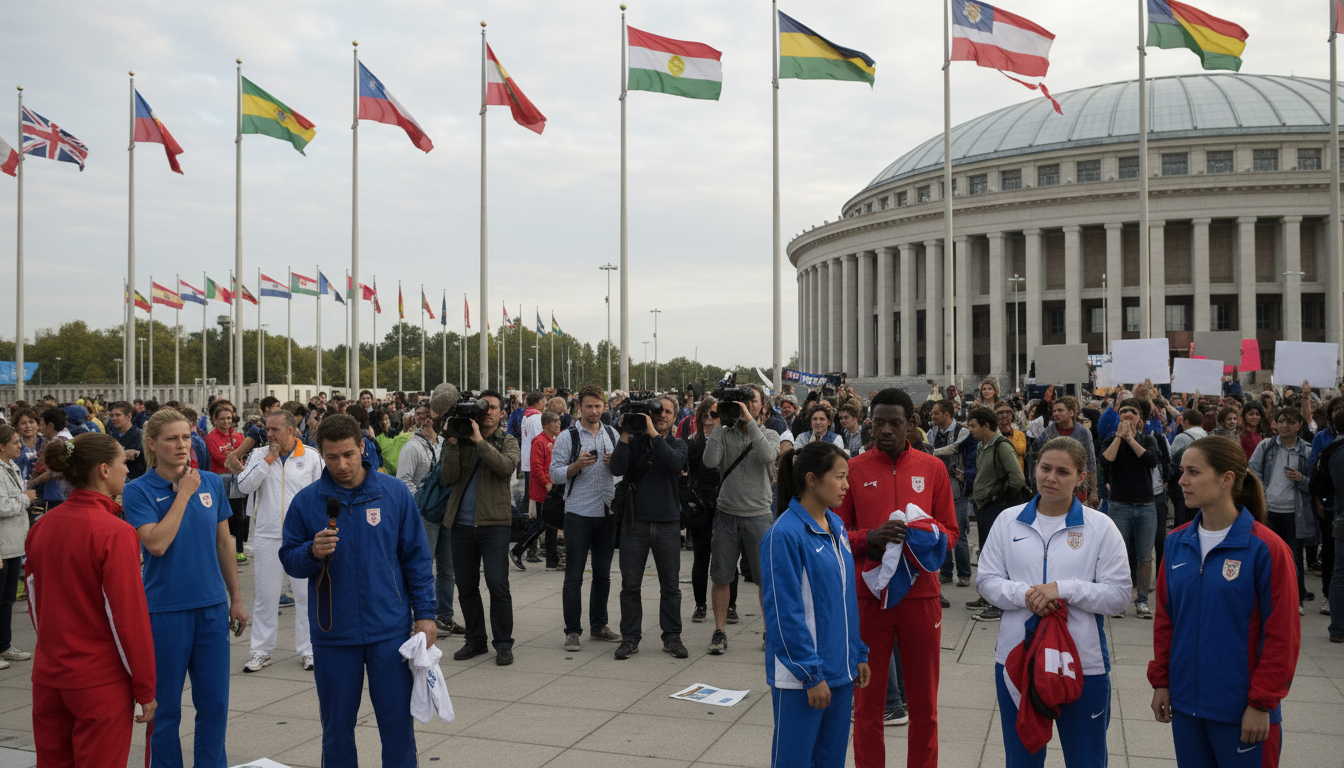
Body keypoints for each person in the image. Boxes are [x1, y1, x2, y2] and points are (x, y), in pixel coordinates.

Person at [279, 414, 436, 768]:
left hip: (389, 631)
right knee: (336, 730)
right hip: (333, 633)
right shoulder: (308, 501)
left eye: (348, 454)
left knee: (397, 728)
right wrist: (310, 551)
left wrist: (425, 615)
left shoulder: (393, 492)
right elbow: (289, 560)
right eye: (332, 457)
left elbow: (417, 558)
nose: (341, 465)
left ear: (362, 447)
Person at [977, 436, 1129, 766]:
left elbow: (1118, 596)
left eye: (1063, 471)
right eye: (1045, 468)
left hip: (1082, 665)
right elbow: (986, 581)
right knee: (1022, 759)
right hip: (1017, 662)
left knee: (1086, 759)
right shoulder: (1008, 520)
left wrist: (1064, 589)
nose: (1051, 478)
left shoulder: (1100, 526)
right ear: (1034, 469)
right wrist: (1026, 596)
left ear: (1081, 477)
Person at [1150, 436, 1301, 766]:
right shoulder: (1176, 544)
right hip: (1187, 707)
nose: (1182, 481)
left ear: (1226, 479)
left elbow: (1283, 636)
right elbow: (1165, 621)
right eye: (1181, 471)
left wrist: (1261, 704)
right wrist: (1161, 682)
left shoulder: (1267, 548)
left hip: (1243, 711)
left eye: (1193, 472)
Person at [836, 387, 958, 768]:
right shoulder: (853, 471)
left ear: (911, 424)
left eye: (895, 423)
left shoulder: (932, 468)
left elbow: (951, 532)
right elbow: (837, 534)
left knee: (925, 705)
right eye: (878, 422)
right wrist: (868, 538)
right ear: (869, 422)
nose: (885, 430)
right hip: (870, 599)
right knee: (868, 706)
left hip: (920, 598)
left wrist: (924, 537)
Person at [122, 409, 247, 768]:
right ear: (152, 444)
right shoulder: (137, 490)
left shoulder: (210, 482)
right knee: (164, 708)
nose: (182, 445)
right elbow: (156, 544)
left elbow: (225, 544)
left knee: (215, 705)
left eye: (186, 437)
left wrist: (235, 599)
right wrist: (182, 494)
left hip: (210, 608)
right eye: (171, 439)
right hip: (165, 610)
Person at [25, 433, 157, 768]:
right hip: (99, 682)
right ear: (102, 470)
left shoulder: (41, 526)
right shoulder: (115, 532)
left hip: (49, 675)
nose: (127, 471)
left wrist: (53, 653)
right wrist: (145, 687)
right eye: (122, 464)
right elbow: (128, 617)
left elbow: (34, 602)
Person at [764, 441, 871, 768]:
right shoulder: (784, 534)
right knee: (795, 761)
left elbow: (844, 600)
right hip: (802, 678)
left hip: (839, 671)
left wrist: (858, 653)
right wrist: (810, 675)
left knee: (831, 760)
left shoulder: (836, 525)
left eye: (847, 476)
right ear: (812, 479)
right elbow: (784, 614)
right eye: (839, 477)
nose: (846, 485)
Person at [235, 410, 322, 673]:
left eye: (274, 429)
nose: (269, 434)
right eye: (267, 429)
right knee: (266, 597)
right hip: (267, 534)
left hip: (301, 538)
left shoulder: (310, 456)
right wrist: (268, 460)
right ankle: (261, 651)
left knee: (306, 596)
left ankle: (308, 650)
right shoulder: (260, 455)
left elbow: (321, 492)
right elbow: (244, 486)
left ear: (291, 430)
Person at [443, 389, 522, 665]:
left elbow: (505, 467)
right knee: (466, 586)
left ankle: (503, 643)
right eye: (484, 406)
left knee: (498, 584)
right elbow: (449, 476)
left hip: (494, 523)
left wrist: (478, 440)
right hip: (461, 524)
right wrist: (453, 441)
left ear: (502, 413)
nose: (488, 411)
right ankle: (475, 640)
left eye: (494, 408)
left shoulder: (507, 440)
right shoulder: (461, 439)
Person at [704, 384, 780, 655]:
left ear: (763, 406)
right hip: (726, 515)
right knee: (722, 576)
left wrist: (749, 422)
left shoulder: (770, 433)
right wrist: (716, 425)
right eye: (741, 402)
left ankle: (771, 631)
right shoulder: (723, 434)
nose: (747, 405)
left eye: (752, 402)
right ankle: (720, 630)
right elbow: (710, 461)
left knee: (764, 579)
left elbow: (768, 456)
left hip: (758, 517)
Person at [611, 395, 689, 660]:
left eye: (668, 412)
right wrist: (625, 432)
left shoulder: (678, 444)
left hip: (668, 522)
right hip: (636, 522)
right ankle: (630, 637)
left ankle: (672, 637)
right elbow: (617, 467)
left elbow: (675, 463)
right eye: (658, 411)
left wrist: (654, 434)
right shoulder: (634, 442)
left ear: (674, 417)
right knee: (630, 585)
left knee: (671, 587)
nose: (663, 415)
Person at [551, 385, 623, 652]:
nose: (594, 411)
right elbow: (555, 474)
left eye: (598, 406)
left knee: (603, 575)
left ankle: (599, 625)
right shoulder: (567, 437)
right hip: (578, 514)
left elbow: (622, 476)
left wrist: (614, 465)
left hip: (606, 513)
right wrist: (576, 466)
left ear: (604, 407)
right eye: (589, 406)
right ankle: (572, 630)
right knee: (574, 576)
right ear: (579, 407)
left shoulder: (612, 434)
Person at [396, 401, 465, 636]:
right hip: (425, 515)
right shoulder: (412, 447)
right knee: (424, 567)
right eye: (422, 416)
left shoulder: (445, 444)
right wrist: (422, 501)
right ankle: (421, 616)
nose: (426, 420)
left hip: (447, 513)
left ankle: (445, 616)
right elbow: (403, 481)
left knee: (448, 569)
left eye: (430, 417)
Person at [1098, 398, 1162, 620]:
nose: (1126, 415)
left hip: (1146, 506)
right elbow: (1105, 462)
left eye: (1131, 412)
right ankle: (1120, 600)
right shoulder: (1110, 440)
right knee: (1119, 556)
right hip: (1120, 505)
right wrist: (1119, 437)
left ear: (1139, 419)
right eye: (1123, 411)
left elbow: (1150, 460)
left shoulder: (1148, 439)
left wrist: (1132, 438)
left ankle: (1142, 600)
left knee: (1145, 557)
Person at [1248, 408, 1314, 614]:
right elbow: (1252, 469)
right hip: (1269, 511)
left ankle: (1296, 600)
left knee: (1294, 559)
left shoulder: (1307, 451)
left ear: (1299, 426)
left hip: (1295, 513)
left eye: (1290, 421)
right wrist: (1263, 491)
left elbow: (1316, 484)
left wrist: (1301, 479)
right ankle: (1267, 598)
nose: (1284, 425)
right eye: (1281, 421)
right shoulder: (1266, 446)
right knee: (1266, 556)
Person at [966, 407, 1028, 622]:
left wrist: (995, 497)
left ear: (986, 426)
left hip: (996, 509)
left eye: (973, 425)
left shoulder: (1002, 446)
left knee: (997, 556)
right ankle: (987, 595)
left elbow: (1017, 479)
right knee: (986, 553)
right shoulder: (982, 446)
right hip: (983, 507)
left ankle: (997, 603)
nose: (970, 429)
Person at [0, 424, 37, 667]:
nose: (19, 446)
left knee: (7, 600)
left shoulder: (11, 466)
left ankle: (4, 645)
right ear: (1, 446)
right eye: (14, 442)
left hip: (13, 544)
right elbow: (2, 506)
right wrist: (26, 499)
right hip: (2, 546)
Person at [928, 399, 973, 593]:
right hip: (937, 488)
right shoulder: (932, 432)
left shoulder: (962, 432)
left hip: (957, 488)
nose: (932, 416)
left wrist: (931, 453)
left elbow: (955, 448)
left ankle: (964, 573)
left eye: (936, 413)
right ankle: (945, 571)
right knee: (940, 531)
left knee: (959, 533)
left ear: (947, 414)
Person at [511, 411, 562, 570]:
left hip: (553, 488)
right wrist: (547, 484)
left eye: (559, 421)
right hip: (543, 490)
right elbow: (537, 467)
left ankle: (552, 559)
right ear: (546, 424)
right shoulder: (539, 442)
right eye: (554, 421)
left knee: (552, 525)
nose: (558, 424)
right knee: (544, 523)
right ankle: (518, 550)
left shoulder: (556, 439)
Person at [1027, 397, 1098, 507]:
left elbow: (1091, 463)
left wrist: (1093, 491)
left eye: (1060, 410)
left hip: (1077, 488)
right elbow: (1034, 456)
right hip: (1054, 487)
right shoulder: (1047, 433)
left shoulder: (1083, 432)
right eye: (1054, 411)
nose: (1056, 414)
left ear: (1071, 412)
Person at [204, 401, 248, 563]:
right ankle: (221, 548)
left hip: (237, 480)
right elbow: (219, 457)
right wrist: (234, 458)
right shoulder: (211, 437)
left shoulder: (239, 436)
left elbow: (242, 456)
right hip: (220, 480)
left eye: (229, 418)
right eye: (222, 419)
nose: (226, 422)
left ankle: (239, 549)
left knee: (239, 516)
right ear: (214, 420)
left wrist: (235, 460)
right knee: (222, 516)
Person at [106, 401, 147, 481]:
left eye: (118, 415)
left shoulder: (139, 436)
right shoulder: (112, 436)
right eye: (112, 415)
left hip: (135, 480)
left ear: (128, 416)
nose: (114, 418)